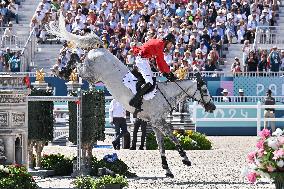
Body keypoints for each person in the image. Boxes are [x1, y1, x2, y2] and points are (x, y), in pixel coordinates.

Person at [129, 33, 177, 113]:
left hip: (144, 60)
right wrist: (169, 73)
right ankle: (134, 101)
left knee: (151, 81)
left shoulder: (159, 44)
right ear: (167, 41)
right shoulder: (159, 45)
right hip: (142, 61)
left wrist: (164, 73)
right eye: (171, 44)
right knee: (149, 82)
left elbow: (159, 61)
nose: (170, 46)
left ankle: (139, 100)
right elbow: (161, 61)